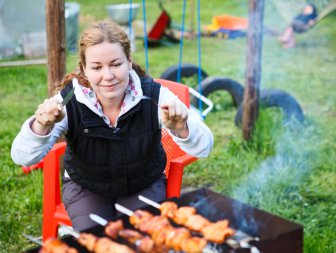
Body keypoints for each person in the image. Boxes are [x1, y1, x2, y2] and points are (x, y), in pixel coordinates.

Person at [11, 21, 213, 231]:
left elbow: (204, 147)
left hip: (143, 183)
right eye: (97, 67)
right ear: (84, 69)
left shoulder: (154, 96)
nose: (108, 76)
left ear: (128, 61)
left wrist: (181, 128)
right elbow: (22, 157)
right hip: (87, 188)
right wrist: (41, 127)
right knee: (97, 240)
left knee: (139, 240)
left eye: (116, 64)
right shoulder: (67, 103)